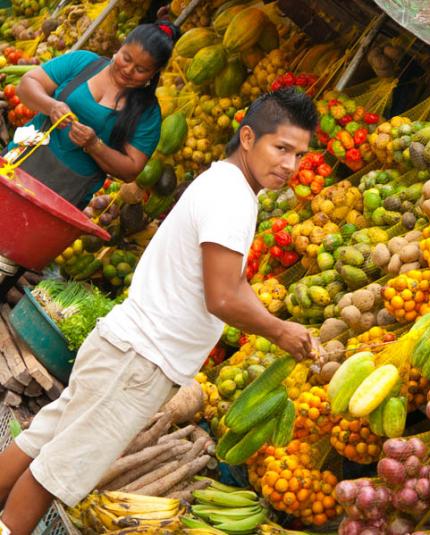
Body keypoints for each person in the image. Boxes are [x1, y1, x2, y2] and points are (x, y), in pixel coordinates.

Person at [0, 88, 318, 535]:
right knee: (57, 472)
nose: (290, 165)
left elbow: (230, 281)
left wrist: (269, 316)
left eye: (299, 155)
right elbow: (223, 297)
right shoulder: (233, 200)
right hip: (140, 361)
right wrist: (278, 331)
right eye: (281, 148)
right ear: (248, 137)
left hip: (123, 342)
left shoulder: (221, 182)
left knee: (42, 441)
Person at [0, 21, 178, 303]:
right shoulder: (85, 63)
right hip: (21, 164)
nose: (128, 70)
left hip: (63, 195)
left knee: (10, 260)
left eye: (140, 69)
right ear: (119, 47)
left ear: (153, 74)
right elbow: (27, 85)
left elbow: (131, 169)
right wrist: (52, 106)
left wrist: (95, 145)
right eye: (126, 58)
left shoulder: (147, 114)